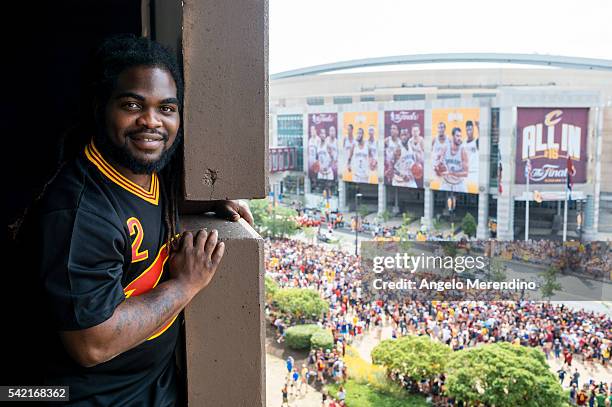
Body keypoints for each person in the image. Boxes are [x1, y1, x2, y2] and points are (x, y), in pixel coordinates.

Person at [14, 35, 254, 405]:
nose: (151, 122)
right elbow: (93, 343)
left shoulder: (144, 173)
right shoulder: (79, 214)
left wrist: (207, 201)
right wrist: (184, 285)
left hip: (151, 386)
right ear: (101, 108)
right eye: (132, 105)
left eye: (167, 109)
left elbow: (148, 204)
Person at [438, 127, 469, 193]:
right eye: (457, 136)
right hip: (446, 183)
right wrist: (438, 168)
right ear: (452, 136)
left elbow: (466, 173)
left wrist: (451, 173)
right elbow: (439, 163)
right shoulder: (445, 148)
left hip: (459, 183)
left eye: (460, 136)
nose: (459, 138)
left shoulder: (463, 151)